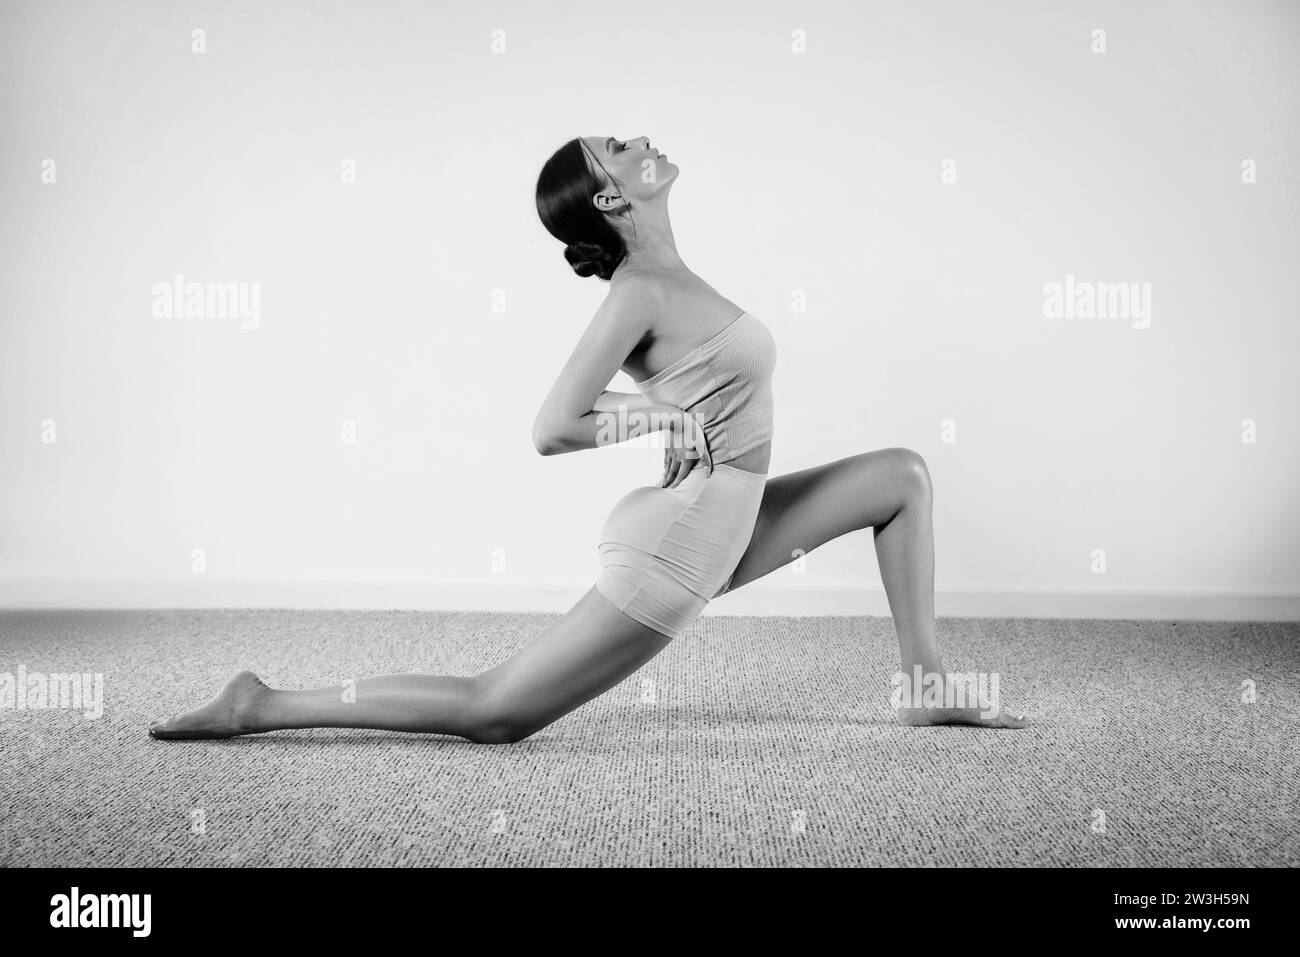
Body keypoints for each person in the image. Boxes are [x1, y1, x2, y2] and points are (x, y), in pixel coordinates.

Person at [149, 135, 1027, 743]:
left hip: (731, 515)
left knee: (902, 476)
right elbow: (553, 426)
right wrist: (660, 416)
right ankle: (260, 704)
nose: (643, 138)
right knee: (496, 711)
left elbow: (699, 389)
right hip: (682, 545)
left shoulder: (674, 275)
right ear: (613, 195)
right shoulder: (640, 288)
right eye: (620, 146)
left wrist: (682, 413)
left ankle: (924, 683)